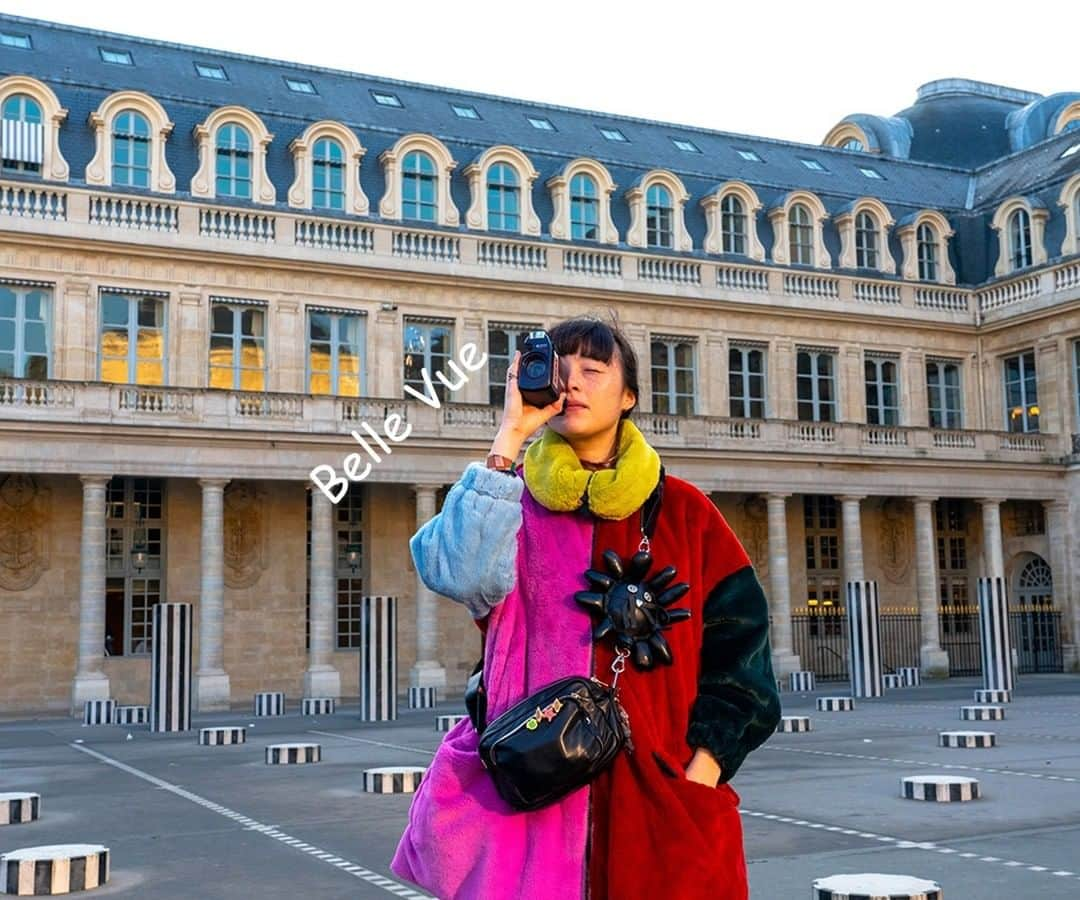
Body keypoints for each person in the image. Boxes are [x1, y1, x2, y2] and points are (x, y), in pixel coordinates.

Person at [390, 317, 781, 900]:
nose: (572, 383)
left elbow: (743, 661)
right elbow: (455, 572)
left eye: (593, 371)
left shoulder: (686, 512)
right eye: (560, 370)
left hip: (655, 800)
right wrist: (509, 436)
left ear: (629, 397)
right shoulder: (510, 499)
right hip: (528, 791)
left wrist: (701, 770)